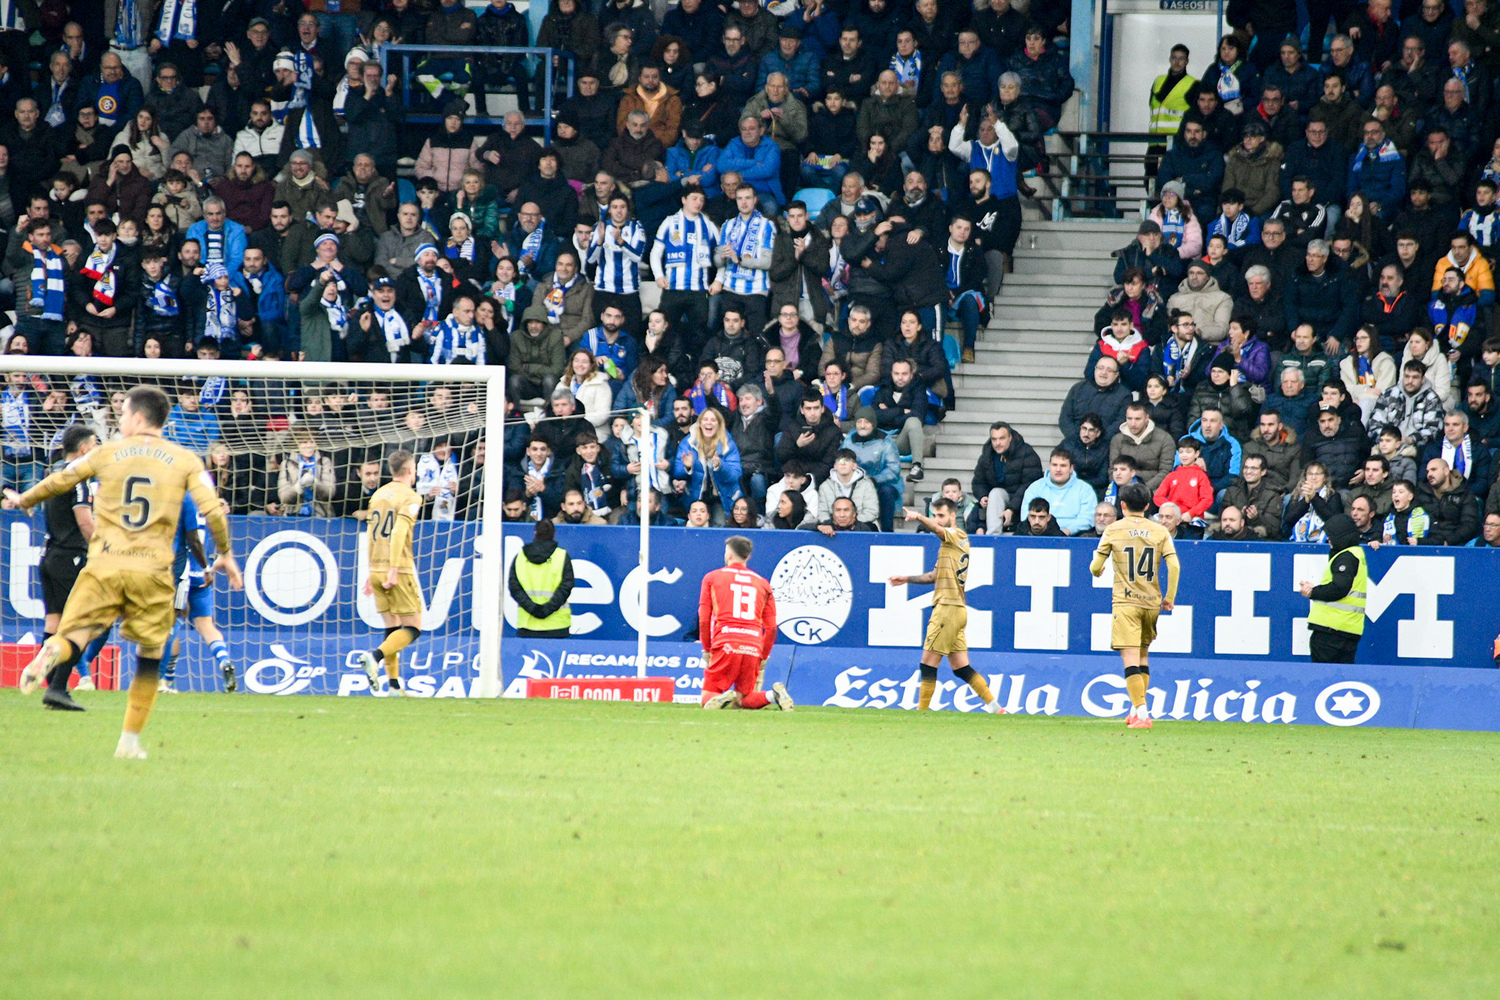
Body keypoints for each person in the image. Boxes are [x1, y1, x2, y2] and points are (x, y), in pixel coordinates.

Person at [3, 386, 241, 760]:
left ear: (139, 418)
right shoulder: (184, 459)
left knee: (75, 631)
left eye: (124, 414)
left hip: (104, 563)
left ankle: (51, 651)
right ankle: (129, 741)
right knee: (150, 650)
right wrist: (224, 553)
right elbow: (211, 511)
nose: (120, 421)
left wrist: (23, 498)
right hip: (152, 569)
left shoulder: (107, 452)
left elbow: (62, 479)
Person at [886, 500, 1005, 715]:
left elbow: (938, 530)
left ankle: (921, 713)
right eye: (934, 515)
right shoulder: (948, 546)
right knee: (961, 668)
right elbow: (934, 576)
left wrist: (919, 517)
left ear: (952, 516)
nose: (936, 519)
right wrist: (906, 578)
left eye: (940, 515)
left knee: (928, 663)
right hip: (956, 610)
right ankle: (996, 708)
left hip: (947, 609)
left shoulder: (956, 535)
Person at [1090, 483, 1180, 730]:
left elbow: (1095, 566)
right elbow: (1174, 566)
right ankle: (1134, 709)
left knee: (1129, 657)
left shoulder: (1113, 529)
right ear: (1149, 506)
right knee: (1142, 656)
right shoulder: (1160, 531)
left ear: (1123, 506)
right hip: (1151, 602)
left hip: (1126, 601)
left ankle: (1143, 714)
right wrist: (1169, 597)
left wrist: (1098, 571)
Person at [34, 425, 106, 709]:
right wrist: (102, 550)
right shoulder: (79, 478)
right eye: (96, 444)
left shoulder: (54, 473)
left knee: (54, 622)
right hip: (72, 558)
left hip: (50, 555)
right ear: (85, 448)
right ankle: (58, 686)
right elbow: (85, 521)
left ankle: (51, 685)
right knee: (81, 625)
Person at [697, 534, 792, 711]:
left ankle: (719, 697)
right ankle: (773, 695)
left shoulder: (712, 578)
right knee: (744, 699)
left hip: (726, 640)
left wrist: (707, 649)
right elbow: (771, 628)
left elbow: (704, 619)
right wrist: (763, 655)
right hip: (753, 644)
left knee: (707, 695)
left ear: (729, 555)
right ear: (748, 557)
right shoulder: (763, 583)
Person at [1298, 514, 1368, 663]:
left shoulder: (1345, 557)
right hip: (1348, 629)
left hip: (1331, 630)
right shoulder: (1356, 554)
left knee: (1323, 677)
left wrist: (1313, 592)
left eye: (1331, 536)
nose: (1328, 540)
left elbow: (1339, 588)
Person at [508, 518, 576, 642]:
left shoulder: (520, 557)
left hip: (528, 624)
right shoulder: (561, 556)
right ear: (554, 533)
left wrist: (533, 609)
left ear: (535, 533)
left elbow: (514, 588)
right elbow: (566, 587)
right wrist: (547, 610)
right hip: (557, 626)